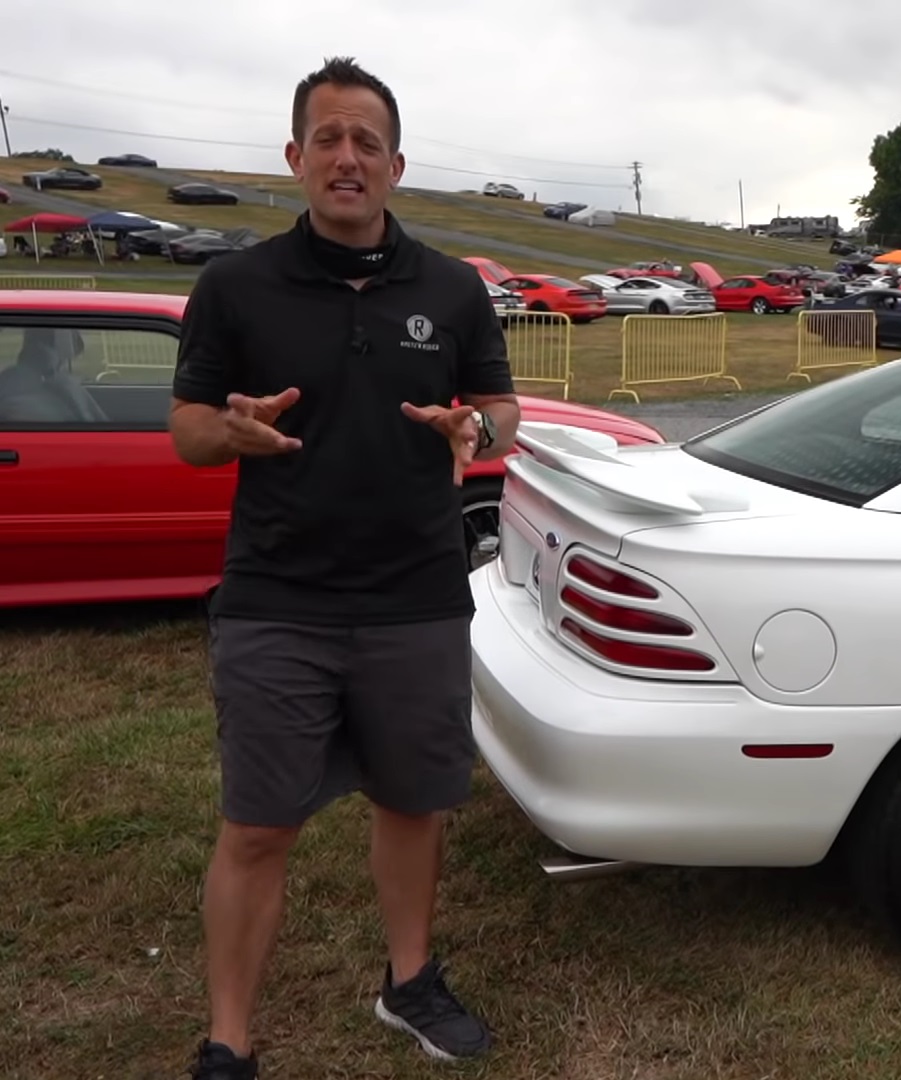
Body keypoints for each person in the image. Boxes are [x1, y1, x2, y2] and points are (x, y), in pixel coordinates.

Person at [167, 57, 520, 1078]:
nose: (347, 156)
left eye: (367, 139)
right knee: (258, 825)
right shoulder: (235, 286)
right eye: (328, 137)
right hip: (279, 599)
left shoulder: (453, 290)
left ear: (396, 164)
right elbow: (187, 428)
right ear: (295, 159)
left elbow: (500, 406)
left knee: (413, 805)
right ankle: (228, 1042)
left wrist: (475, 422)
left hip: (415, 598)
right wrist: (228, 430)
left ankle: (409, 985)